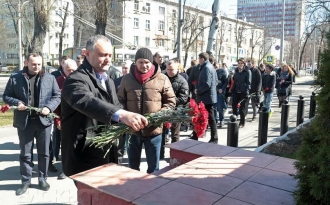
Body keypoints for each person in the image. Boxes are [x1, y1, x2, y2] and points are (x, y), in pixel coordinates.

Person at [61, 35, 148, 177]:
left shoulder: (108, 79)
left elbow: (115, 104)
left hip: (107, 152)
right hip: (85, 154)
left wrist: (133, 115)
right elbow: (88, 102)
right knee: (90, 198)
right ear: (87, 54)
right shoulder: (75, 80)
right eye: (102, 55)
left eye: (109, 55)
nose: (108, 59)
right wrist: (122, 115)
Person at [3, 53, 61, 195]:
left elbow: (57, 96)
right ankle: (26, 181)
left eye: (39, 64)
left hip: (44, 123)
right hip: (25, 122)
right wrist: (17, 103)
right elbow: (6, 96)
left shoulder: (50, 77)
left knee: (44, 153)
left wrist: (49, 107)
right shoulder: (15, 78)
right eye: (33, 64)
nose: (36, 67)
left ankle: (42, 178)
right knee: (25, 154)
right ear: (26, 62)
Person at [117, 47, 176, 173]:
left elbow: (170, 102)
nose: (144, 65)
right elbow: (119, 100)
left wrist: (157, 117)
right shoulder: (127, 79)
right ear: (135, 63)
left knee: (154, 170)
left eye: (146, 62)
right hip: (132, 131)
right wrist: (126, 117)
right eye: (140, 62)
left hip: (153, 131)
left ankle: (153, 191)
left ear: (151, 62)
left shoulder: (162, 79)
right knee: (132, 169)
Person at [53, 59, 78, 180]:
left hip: (79, 120)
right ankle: (65, 169)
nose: (72, 72)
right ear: (63, 70)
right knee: (66, 147)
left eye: (74, 70)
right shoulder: (57, 82)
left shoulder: (81, 80)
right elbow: (54, 104)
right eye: (69, 70)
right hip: (64, 121)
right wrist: (57, 120)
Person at [160, 60, 189, 158]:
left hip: (176, 110)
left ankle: (174, 156)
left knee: (175, 135)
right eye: (168, 69)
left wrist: (170, 101)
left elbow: (183, 98)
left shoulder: (182, 81)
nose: (169, 71)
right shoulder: (162, 77)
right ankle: (160, 154)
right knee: (161, 134)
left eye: (171, 69)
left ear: (177, 69)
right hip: (162, 110)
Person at [190, 52, 218, 143]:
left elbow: (207, 84)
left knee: (209, 117)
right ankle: (196, 135)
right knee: (201, 116)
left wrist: (197, 90)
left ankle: (214, 138)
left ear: (202, 59)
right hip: (208, 97)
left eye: (199, 59)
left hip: (206, 97)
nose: (198, 61)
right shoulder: (210, 67)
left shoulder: (206, 68)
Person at [231, 58, 251, 128]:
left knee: (242, 107)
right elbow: (234, 82)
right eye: (239, 63)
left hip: (243, 91)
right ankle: (234, 120)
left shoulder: (247, 71)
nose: (240, 64)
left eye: (241, 63)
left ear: (244, 64)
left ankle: (242, 122)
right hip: (236, 90)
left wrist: (247, 92)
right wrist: (232, 90)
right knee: (234, 105)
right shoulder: (236, 71)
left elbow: (249, 83)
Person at [216, 62, 229, 128]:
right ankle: (215, 120)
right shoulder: (211, 71)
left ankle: (222, 120)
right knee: (214, 108)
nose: (215, 67)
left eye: (216, 66)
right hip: (213, 91)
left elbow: (226, 81)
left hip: (220, 92)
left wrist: (222, 89)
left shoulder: (222, 71)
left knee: (219, 107)